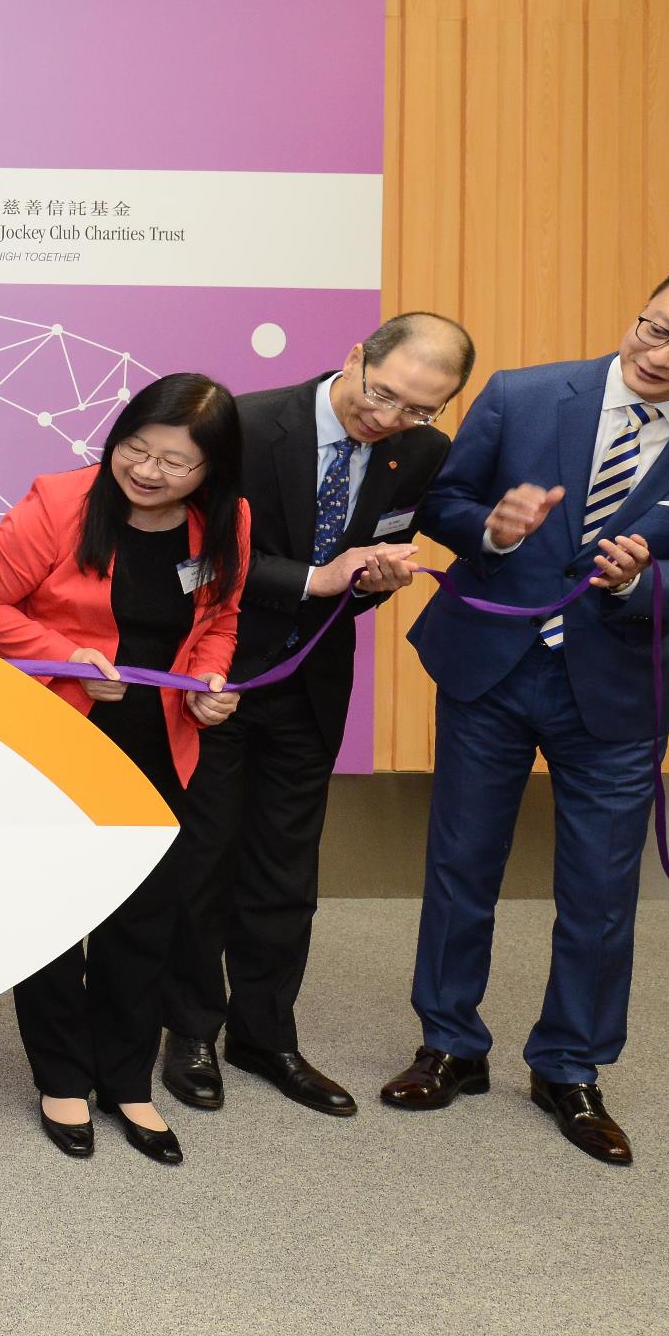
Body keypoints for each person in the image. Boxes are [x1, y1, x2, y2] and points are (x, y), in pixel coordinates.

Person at [385, 249, 669, 1166]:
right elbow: (444, 501)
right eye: (655, 326)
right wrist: (491, 528)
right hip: (491, 667)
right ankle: (449, 1043)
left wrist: (648, 578)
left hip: (615, 689)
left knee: (600, 891)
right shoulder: (528, 394)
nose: (660, 356)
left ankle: (570, 1065)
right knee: (462, 863)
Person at [159, 315, 472, 1118]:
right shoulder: (246, 425)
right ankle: (189, 1029)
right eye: (382, 393)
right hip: (215, 674)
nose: (390, 417)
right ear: (354, 357)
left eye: (417, 410)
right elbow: (192, 558)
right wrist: (317, 579)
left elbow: (379, 551)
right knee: (203, 862)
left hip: (312, 685)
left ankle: (266, 1034)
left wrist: (372, 577)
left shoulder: (423, 456)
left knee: (286, 869)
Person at [0, 373, 248, 1167]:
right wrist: (66, 657)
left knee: (145, 916)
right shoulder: (59, 503)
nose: (147, 470)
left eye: (175, 461)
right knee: (55, 913)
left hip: (158, 741)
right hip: (60, 736)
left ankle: (126, 1078)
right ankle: (63, 1075)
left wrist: (211, 683)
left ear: (212, 471)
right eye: (137, 448)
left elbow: (219, 618)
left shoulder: (225, 521)